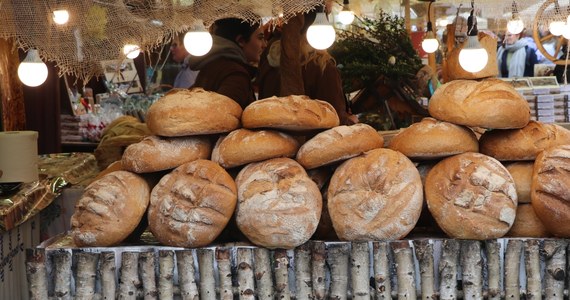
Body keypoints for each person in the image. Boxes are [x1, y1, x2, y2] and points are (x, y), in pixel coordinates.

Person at [257, 11, 357, 125]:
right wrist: (350, 121)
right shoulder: (322, 67)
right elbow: (336, 119)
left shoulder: (268, 59)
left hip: (271, 138)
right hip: (312, 140)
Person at [188, 18, 266, 109]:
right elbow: (223, 115)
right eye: (260, 38)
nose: (264, 45)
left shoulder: (213, 64)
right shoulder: (236, 75)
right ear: (241, 41)